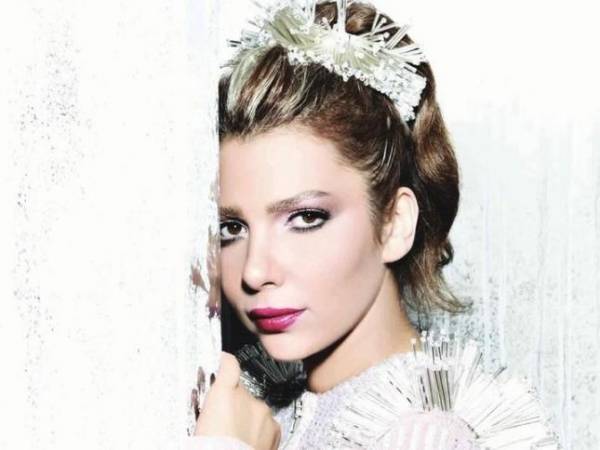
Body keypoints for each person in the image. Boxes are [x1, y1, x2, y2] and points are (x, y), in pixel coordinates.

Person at [187, 1, 560, 448]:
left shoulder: (428, 436)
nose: (254, 271)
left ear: (394, 224)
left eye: (305, 218)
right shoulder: (258, 413)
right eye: (232, 228)